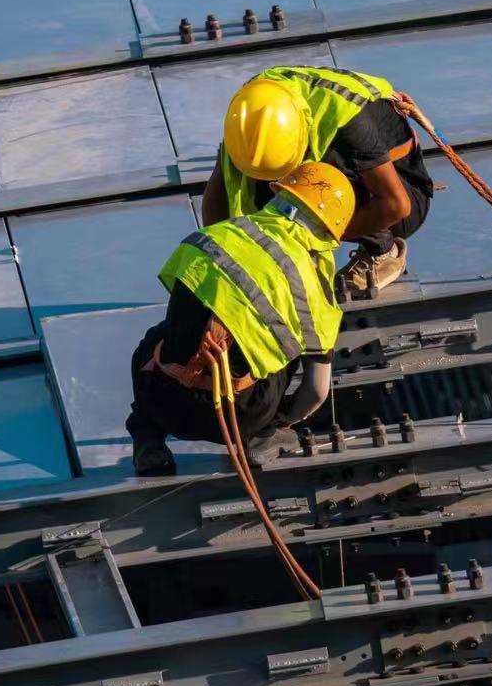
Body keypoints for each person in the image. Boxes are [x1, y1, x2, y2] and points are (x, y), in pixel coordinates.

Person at [127, 162, 354, 477]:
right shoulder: (316, 293)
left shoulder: (209, 239)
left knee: (156, 337)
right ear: (329, 232)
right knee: (288, 351)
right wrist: (280, 419)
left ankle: (148, 438)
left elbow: (184, 318)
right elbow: (317, 391)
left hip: (165, 402)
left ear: (278, 196)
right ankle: (260, 441)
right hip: (244, 415)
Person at [201, 65, 431, 299]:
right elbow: (221, 192)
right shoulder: (250, 112)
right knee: (262, 193)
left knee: (311, 184)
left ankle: (383, 252)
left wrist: (308, 240)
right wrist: (219, 258)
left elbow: (396, 205)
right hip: (340, 166)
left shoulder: (344, 117)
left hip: (400, 195)